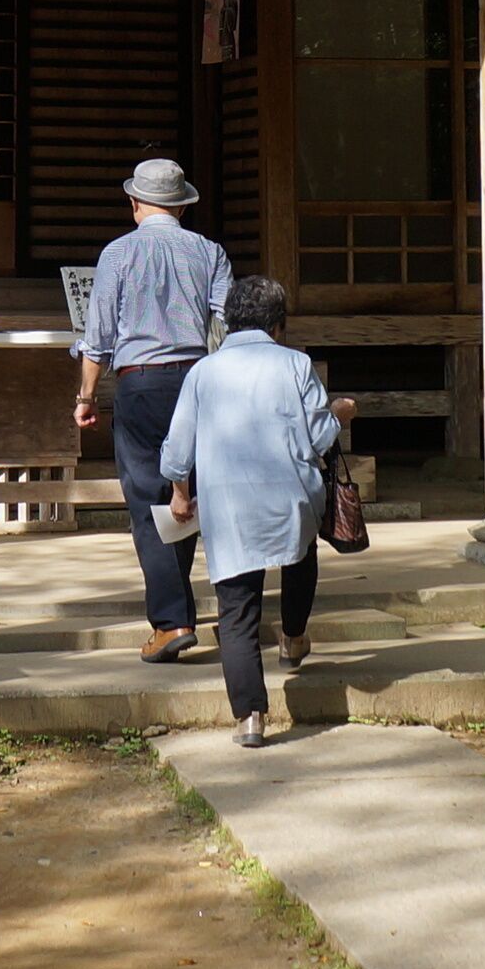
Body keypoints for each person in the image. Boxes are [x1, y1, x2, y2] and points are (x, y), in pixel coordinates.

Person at [160, 274, 354, 747]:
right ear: (279, 325)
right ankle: (292, 636)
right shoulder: (296, 364)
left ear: (229, 322)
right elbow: (321, 436)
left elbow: (177, 450)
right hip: (291, 499)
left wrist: (180, 493)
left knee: (237, 608)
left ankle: (250, 717)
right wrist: (342, 414)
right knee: (301, 555)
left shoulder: (203, 372)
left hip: (229, 505)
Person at [73, 158, 231, 662]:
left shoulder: (118, 254)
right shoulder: (209, 251)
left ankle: (171, 623)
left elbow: (98, 336)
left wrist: (86, 398)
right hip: (201, 380)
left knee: (149, 502)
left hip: (141, 384)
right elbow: (228, 325)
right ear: (183, 204)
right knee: (199, 495)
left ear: (136, 203)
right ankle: (224, 612)